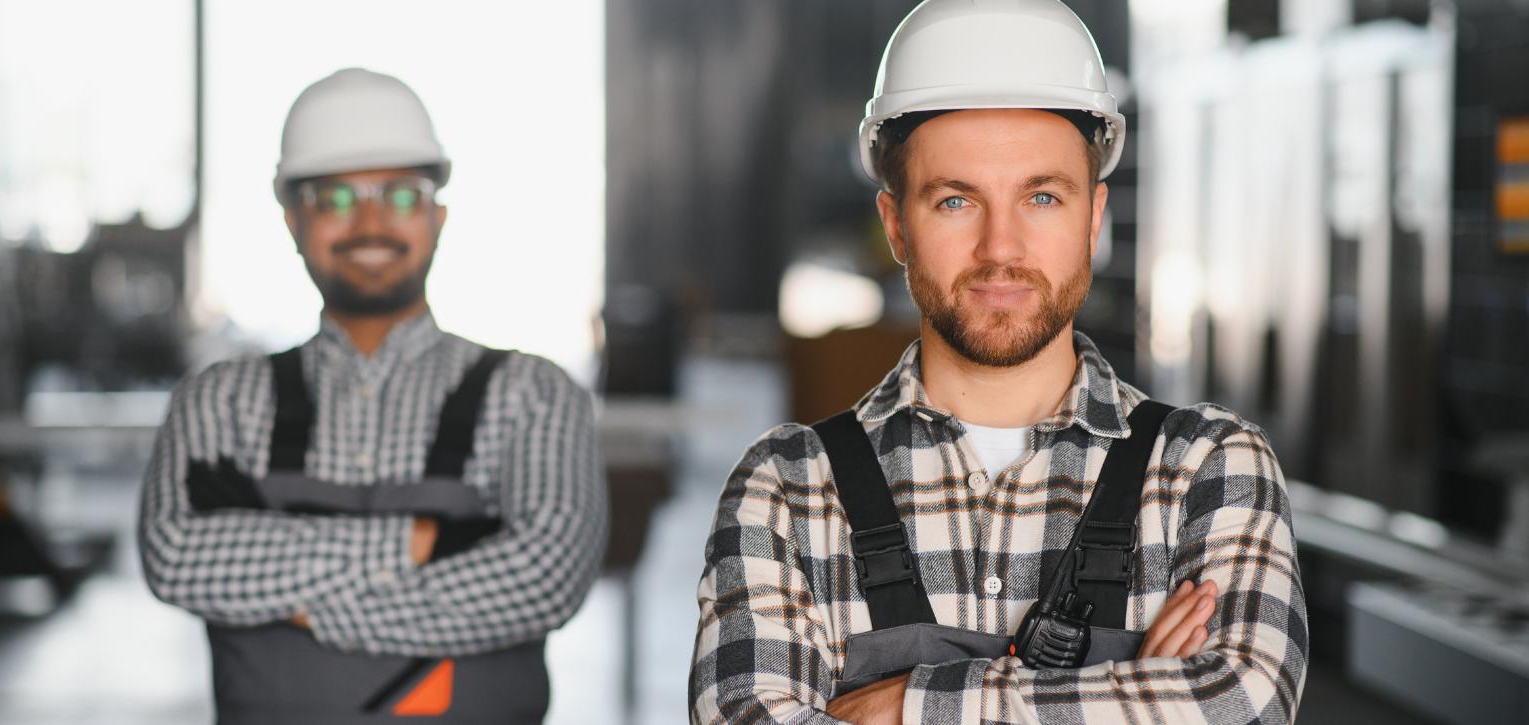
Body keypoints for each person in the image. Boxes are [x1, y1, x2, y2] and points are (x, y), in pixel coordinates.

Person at [689, 1, 1306, 723]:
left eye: (1042, 196)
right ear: (895, 225)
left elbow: (1245, 703)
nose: (1001, 248)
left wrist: (902, 705)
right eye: (956, 201)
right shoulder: (788, 487)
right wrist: (1134, 692)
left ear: (1094, 219)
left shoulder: (1210, 469)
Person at [139, 68, 606, 724]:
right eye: (333, 198)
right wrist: (426, 542)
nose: (368, 221)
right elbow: (179, 557)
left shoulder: (534, 394)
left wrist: (303, 602)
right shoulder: (217, 400)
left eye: (402, 195)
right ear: (292, 219)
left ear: (438, 216)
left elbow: (544, 576)